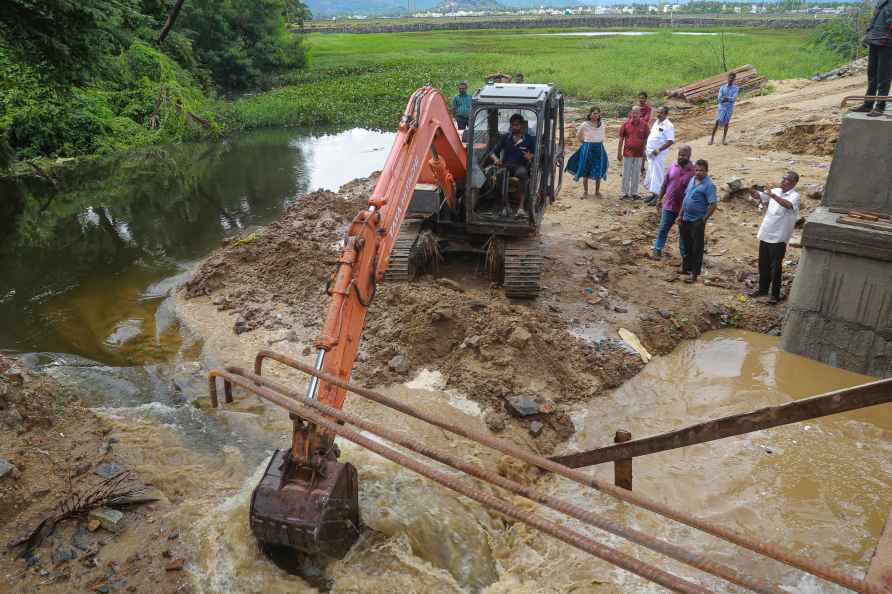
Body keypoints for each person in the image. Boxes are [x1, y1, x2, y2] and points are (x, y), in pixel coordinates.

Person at [747, 172, 801, 304]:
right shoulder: (776, 191)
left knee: (775, 267)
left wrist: (773, 196)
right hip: (766, 233)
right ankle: (763, 289)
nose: (783, 181)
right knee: (763, 264)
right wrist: (753, 191)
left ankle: (775, 295)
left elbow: (788, 205)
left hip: (779, 237)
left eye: (787, 180)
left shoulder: (795, 196)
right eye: (783, 178)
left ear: (793, 183)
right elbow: (760, 197)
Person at [651, 145, 695, 260]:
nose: (681, 157)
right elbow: (664, 184)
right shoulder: (673, 166)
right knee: (663, 228)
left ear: (689, 156)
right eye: (680, 154)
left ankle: (684, 257)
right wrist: (659, 199)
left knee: (683, 234)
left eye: (684, 155)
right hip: (669, 205)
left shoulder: (693, 172)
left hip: (684, 209)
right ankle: (657, 249)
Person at [678, 159, 718, 284]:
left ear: (706, 171)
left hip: (697, 220)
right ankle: (686, 268)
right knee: (686, 244)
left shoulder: (709, 185)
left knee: (697, 248)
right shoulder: (692, 180)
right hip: (685, 218)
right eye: (696, 170)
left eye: (701, 170)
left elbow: (713, 204)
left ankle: (694, 273)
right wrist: (680, 215)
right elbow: (686, 198)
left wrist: (704, 219)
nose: (698, 172)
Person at [852, 0, 892, 117]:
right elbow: (874, 19)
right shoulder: (882, 2)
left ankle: (880, 107)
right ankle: (868, 104)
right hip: (874, 39)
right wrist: (868, 34)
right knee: (872, 74)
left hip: (887, 42)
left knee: (883, 76)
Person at [491, 113, 535, 218]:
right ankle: (506, 206)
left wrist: (531, 156)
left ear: (522, 126)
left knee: (523, 174)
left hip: (520, 166)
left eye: (517, 125)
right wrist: (496, 159)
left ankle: (520, 208)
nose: (515, 127)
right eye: (513, 125)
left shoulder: (528, 139)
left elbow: (535, 154)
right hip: (506, 165)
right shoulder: (506, 137)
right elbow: (492, 153)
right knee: (500, 174)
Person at [566, 106, 609, 198]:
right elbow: (578, 135)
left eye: (597, 113)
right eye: (594, 113)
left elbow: (602, 137)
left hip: (599, 149)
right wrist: (584, 143)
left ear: (599, 114)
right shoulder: (585, 124)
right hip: (587, 149)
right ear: (590, 114)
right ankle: (585, 192)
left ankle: (597, 192)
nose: (596, 115)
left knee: (599, 169)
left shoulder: (602, 124)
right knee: (585, 169)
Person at [643, 106, 675, 202]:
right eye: (658, 112)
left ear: (666, 114)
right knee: (651, 173)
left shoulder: (668, 125)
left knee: (657, 174)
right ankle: (653, 194)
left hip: (659, 154)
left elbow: (670, 141)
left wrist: (658, 150)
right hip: (651, 153)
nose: (658, 114)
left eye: (661, 113)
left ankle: (658, 196)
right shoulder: (656, 123)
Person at [617, 106, 649, 200]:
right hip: (627, 153)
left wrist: (645, 151)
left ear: (640, 114)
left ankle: (634, 192)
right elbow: (621, 139)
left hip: (639, 153)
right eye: (633, 112)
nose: (634, 115)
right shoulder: (626, 124)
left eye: (637, 113)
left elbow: (647, 139)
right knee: (626, 173)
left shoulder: (644, 125)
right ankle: (624, 192)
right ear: (631, 113)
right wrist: (619, 152)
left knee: (636, 173)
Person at [710, 72, 740, 145]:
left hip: (729, 108)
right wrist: (728, 99)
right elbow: (719, 98)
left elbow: (734, 98)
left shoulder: (736, 88)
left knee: (726, 123)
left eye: (732, 78)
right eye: (730, 77)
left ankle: (724, 140)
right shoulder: (722, 87)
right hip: (722, 108)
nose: (730, 79)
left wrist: (726, 98)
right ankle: (711, 139)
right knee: (717, 122)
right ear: (727, 78)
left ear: (734, 79)